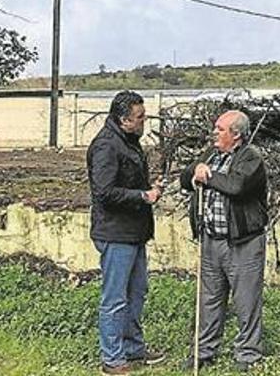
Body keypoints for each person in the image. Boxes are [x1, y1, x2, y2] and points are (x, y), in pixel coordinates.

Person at [180, 109, 269, 372]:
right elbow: (186, 179)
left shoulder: (251, 158)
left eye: (220, 129)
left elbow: (237, 186)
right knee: (209, 299)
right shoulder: (211, 155)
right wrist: (195, 170)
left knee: (246, 300)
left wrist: (206, 176)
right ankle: (205, 351)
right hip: (211, 240)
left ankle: (248, 353)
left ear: (236, 134)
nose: (214, 133)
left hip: (243, 243)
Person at [88, 90, 165, 375]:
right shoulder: (107, 146)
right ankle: (112, 358)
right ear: (124, 120)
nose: (144, 121)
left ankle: (133, 349)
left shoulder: (129, 142)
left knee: (136, 292)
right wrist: (143, 196)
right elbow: (104, 192)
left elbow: (128, 182)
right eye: (140, 117)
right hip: (115, 233)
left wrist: (149, 187)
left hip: (134, 232)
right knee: (115, 298)